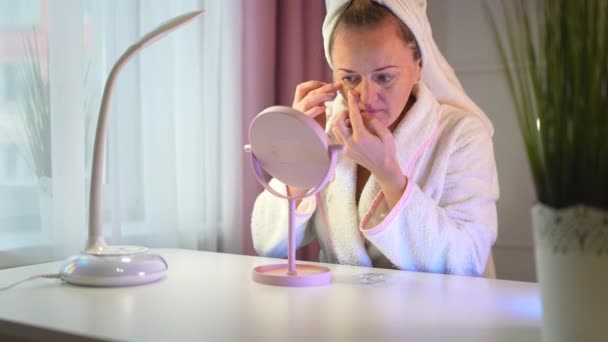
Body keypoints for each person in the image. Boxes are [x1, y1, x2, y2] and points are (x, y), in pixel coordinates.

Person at [251, 0, 499, 276]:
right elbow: (265, 242)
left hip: (432, 316)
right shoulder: (326, 127)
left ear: (418, 66)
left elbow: (468, 261)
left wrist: (388, 175)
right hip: (339, 314)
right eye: (350, 78)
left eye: (384, 77)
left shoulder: (462, 135)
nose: (366, 98)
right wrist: (299, 151)